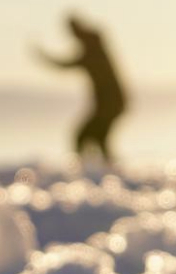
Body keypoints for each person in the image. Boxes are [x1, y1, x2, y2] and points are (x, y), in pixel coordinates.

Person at [34, 14, 127, 164]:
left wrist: (43, 57)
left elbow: (66, 64)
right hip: (112, 103)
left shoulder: (92, 49)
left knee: (84, 136)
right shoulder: (94, 45)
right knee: (98, 137)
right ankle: (103, 170)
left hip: (110, 104)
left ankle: (86, 170)